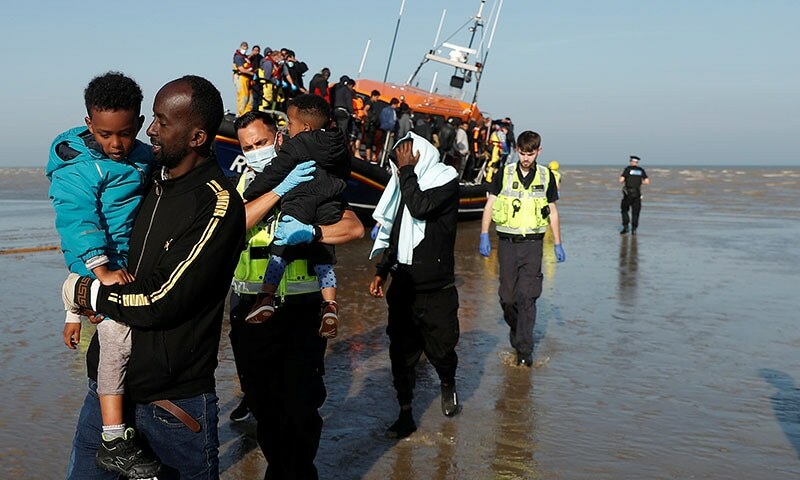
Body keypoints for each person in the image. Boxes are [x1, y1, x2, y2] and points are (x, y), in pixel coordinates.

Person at [62, 75, 246, 479]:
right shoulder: (147, 181)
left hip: (171, 409)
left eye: (162, 122)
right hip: (106, 396)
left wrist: (87, 293)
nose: (150, 130)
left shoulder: (214, 203)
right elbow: (91, 215)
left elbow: (160, 300)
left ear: (197, 136)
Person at [46, 71, 160, 478]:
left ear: (140, 122)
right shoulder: (77, 165)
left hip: (123, 264)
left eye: (126, 134)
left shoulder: (143, 156)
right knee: (117, 339)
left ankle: (75, 308)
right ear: (89, 123)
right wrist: (102, 269)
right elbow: (78, 220)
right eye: (107, 134)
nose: (116, 145)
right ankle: (113, 437)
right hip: (96, 261)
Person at [237, 121, 364, 479]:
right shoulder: (240, 185)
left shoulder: (309, 175)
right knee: (262, 405)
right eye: (246, 147)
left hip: (301, 312)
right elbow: (233, 224)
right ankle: (280, 466)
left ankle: (295, 472)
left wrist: (313, 230)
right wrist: (278, 190)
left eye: (261, 142)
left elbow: (354, 228)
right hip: (249, 311)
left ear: (279, 139)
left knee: (301, 406)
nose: (254, 152)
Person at [369, 132, 461, 439]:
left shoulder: (445, 180)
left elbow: (420, 207)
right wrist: (382, 270)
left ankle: (447, 382)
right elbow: (397, 232)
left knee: (443, 351)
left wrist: (407, 172)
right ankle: (405, 412)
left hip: (438, 289)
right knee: (401, 354)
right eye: (397, 162)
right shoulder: (403, 187)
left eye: (406, 158)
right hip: (405, 286)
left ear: (421, 154)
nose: (400, 167)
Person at [242, 94, 351, 339]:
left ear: (305, 128)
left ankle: (266, 296)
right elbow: (345, 171)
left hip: (300, 199)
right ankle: (330, 306)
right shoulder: (339, 144)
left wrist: (252, 193)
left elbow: (275, 172)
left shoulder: (297, 144)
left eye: (289, 124)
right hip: (329, 201)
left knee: (281, 245)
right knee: (324, 254)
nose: (287, 129)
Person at [478, 130, 566, 367]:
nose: (526, 158)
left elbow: (553, 211)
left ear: (539, 151)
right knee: (507, 298)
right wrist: (484, 234)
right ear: (517, 150)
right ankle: (518, 330)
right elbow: (490, 204)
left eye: (531, 153)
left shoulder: (546, 176)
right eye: (523, 153)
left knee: (528, 297)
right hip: (507, 244)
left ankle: (525, 351)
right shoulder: (504, 174)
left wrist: (557, 242)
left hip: (533, 245)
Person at [619, 155, 650, 235]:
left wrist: (626, 179)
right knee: (636, 212)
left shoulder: (627, 169)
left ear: (631, 162)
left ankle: (626, 226)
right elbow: (647, 182)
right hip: (637, 194)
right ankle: (634, 229)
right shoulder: (641, 170)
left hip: (628, 194)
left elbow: (621, 180)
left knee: (624, 210)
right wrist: (639, 182)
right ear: (637, 162)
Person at [233, 41, 254, 115]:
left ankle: (247, 114)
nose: (244, 48)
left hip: (247, 78)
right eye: (243, 47)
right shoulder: (238, 57)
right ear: (240, 47)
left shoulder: (245, 57)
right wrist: (252, 73)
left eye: (246, 47)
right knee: (243, 97)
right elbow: (241, 69)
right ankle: (241, 114)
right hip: (241, 77)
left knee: (250, 98)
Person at [249, 45, 264, 111]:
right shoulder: (249, 58)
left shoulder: (261, 58)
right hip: (250, 78)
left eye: (257, 51)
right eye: (255, 50)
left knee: (258, 96)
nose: (256, 52)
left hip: (259, 79)